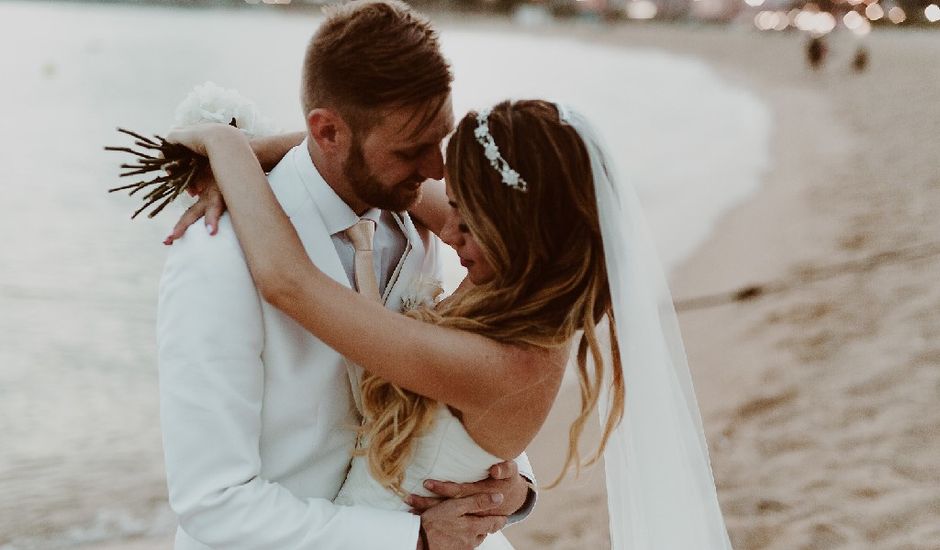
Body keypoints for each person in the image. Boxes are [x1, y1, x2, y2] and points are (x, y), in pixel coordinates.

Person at [167, 98, 734, 549]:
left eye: (467, 216)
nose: (447, 226)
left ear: (521, 230)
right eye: (453, 203)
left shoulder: (503, 362)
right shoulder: (520, 287)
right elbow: (366, 166)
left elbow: (288, 282)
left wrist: (224, 147)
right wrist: (261, 156)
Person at [156, 2, 534, 549]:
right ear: (328, 131)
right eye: (411, 150)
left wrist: (511, 483)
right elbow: (213, 503)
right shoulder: (218, 255)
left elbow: (458, 375)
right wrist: (411, 539)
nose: (438, 169)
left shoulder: (425, 226)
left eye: (441, 139)